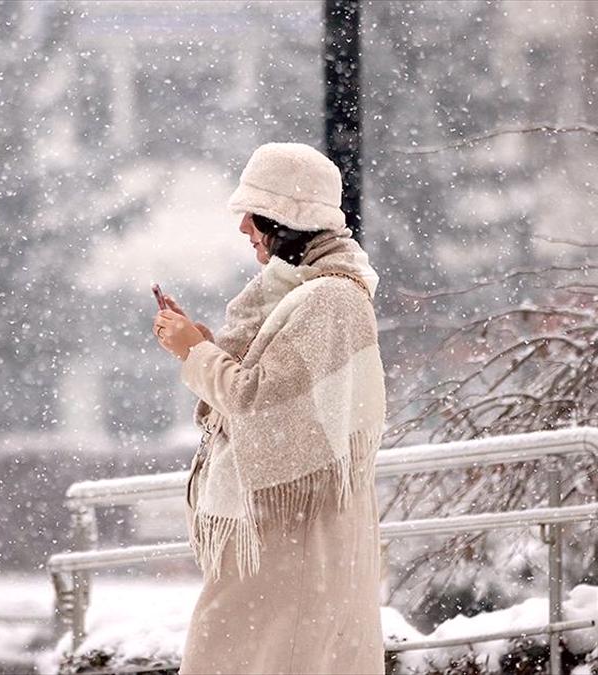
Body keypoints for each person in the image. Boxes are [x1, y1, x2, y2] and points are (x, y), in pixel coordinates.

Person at [153, 142, 387, 675]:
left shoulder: (327, 299)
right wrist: (203, 345)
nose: (243, 229)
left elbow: (258, 402)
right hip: (285, 534)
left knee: (248, 656)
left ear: (285, 219)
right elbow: (269, 391)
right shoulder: (301, 293)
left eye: (252, 214)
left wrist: (195, 351)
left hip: (293, 539)